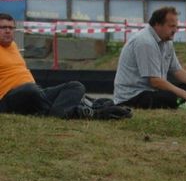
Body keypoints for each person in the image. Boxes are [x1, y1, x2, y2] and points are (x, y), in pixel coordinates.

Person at [0, 13, 129, 119]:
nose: (8, 31)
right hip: (10, 96)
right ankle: (77, 111)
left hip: (37, 93)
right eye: (3, 27)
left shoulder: (13, 46)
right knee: (29, 90)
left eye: (11, 28)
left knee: (75, 86)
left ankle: (61, 113)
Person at [113, 6, 186, 109]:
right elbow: (155, 81)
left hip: (151, 92)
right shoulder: (145, 42)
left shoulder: (167, 41)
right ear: (158, 24)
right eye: (171, 26)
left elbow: (177, 70)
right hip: (131, 97)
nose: (175, 30)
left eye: (176, 26)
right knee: (170, 97)